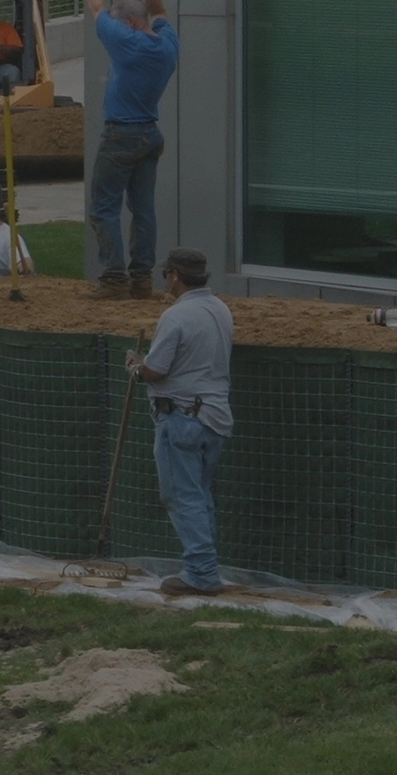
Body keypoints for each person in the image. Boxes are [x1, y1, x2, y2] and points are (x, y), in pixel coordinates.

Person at [125, 248, 232, 597]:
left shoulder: (176, 315)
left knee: (183, 497)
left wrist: (136, 367)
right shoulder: (220, 309)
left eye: (165, 276)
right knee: (200, 496)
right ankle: (206, 567)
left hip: (181, 418)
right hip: (213, 417)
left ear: (174, 275)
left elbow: (156, 370)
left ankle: (202, 573)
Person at [84, 0, 180, 300]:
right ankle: (141, 279)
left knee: (103, 207)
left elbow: (97, 9)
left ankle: (113, 279)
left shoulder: (128, 42)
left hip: (120, 135)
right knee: (143, 210)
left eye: (118, 21)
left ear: (127, 21)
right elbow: (160, 10)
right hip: (149, 136)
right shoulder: (167, 44)